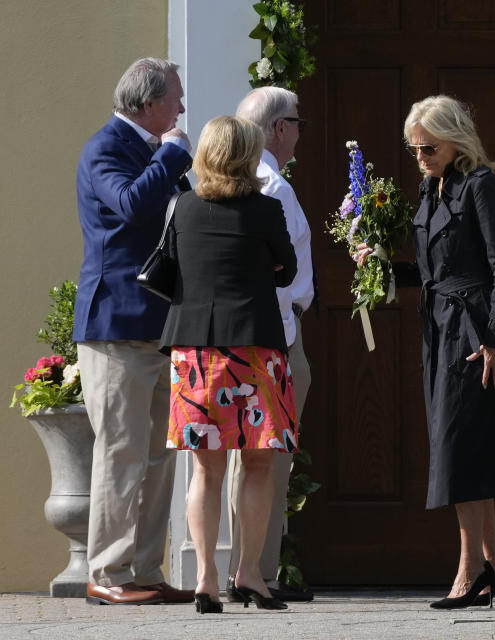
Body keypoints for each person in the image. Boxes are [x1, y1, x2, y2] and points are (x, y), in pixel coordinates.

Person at [355, 95, 495, 610]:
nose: (419, 155)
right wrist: (381, 266)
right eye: (413, 148)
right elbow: (431, 274)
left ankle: (471, 571)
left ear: (454, 139)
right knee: (461, 448)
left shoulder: (482, 186)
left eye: (428, 147)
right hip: (439, 329)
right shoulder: (430, 187)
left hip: (475, 331)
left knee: (459, 450)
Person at [160, 115, 298, 613]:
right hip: (255, 347)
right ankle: (250, 576)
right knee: (258, 462)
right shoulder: (265, 209)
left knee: (205, 470)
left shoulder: (183, 208)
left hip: (194, 350)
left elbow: (175, 268)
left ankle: (205, 578)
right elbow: (289, 272)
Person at [75, 57, 194, 606]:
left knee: (158, 455)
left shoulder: (155, 153)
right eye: (175, 98)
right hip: (117, 325)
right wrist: (172, 152)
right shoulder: (105, 148)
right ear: (149, 105)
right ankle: (107, 571)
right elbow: (127, 205)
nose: (181, 109)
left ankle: (145, 569)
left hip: (159, 321)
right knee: (121, 451)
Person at [225, 86, 315, 603]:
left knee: (248, 459)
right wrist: (293, 311)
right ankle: (258, 572)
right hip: (276, 335)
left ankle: (248, 568)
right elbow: (280, 271)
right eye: (298, 122)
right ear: (279, 128)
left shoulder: (242, 179)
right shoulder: (272, 187)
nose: (301, 131)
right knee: (268, 459)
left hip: (265, 331)